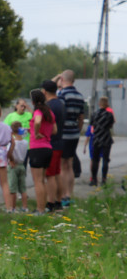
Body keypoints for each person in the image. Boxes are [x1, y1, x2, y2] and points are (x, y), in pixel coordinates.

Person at [56, 70, 86, 205]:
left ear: (62, 79)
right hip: (74, 133)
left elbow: (60, 114)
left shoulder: (62, 95)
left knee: (62, 165)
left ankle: (63, 195)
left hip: (63, 133)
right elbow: (81, 117)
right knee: (70, 165)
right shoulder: (80, 96)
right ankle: (70, 193)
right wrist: (78, 130)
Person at [27, 88, 56, 215]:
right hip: (47, 148)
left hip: (37, 148)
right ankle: (42, 208)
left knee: (37, 181)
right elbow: (54, 130)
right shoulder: (49, 112)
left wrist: (37, 132)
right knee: (42, 180)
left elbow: (38, 121)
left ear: (33, 101)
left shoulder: (38, 111)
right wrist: (42, 132)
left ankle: (40, 210)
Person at [41, 79, 66, 212]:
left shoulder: (49, 106)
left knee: (50, 175)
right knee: (57, 173)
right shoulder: (61, 103)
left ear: (44, 91)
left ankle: (50, 202)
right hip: (60, 141)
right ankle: (58, 201)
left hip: (51, 143)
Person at [90, 96, 115, 186]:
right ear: (107, 104)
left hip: (96, 138)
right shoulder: (109, 115)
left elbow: (92, 124)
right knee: (105, 159)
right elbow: (111, 125)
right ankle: (104, 179)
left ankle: (94, 179)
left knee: (95, 159)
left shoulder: (94, 114)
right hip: (106, 138)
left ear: (99, 104)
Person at [7, 123, 30, 211]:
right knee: (23, 188)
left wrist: (11, 160)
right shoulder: (25, 142)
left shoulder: (12, 143)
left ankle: (13, 207)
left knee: (13, 188)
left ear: (12, 132)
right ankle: (25, 207)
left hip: (13, 166)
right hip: (22, 165)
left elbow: (9, 153)